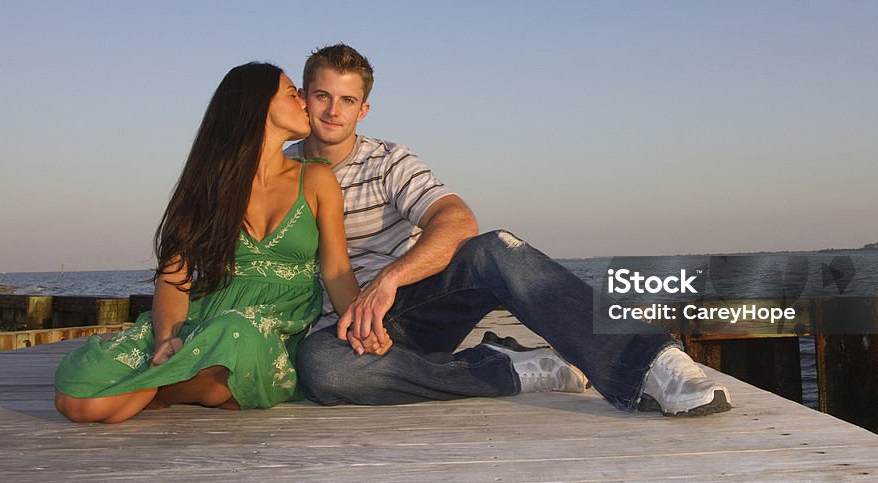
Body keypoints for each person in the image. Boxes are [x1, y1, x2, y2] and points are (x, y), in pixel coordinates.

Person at [289, 44, 732, 416]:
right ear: (303, 98)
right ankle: (506, 369)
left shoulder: (388, 160)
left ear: (363, 109)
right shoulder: (278, 171)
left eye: (346, 100)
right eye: (322, 96)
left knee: (491, 249)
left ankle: (650, 362)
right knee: (322, 371)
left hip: (410, 310)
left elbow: (457, 220)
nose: (332, 111)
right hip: (342, 335)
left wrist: (389, 280)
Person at [55, 63, 359, 423]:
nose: (307, 103)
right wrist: (167, 336)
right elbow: (174, 273)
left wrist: (362, 328)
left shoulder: (317, 178)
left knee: (234, 339)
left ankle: (155, 389)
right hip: (206, 315)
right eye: (293, 94)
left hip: (271, 326)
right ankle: (171, 381)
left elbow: (337, 270)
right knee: (75, 400)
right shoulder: (209, 184)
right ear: (256, 106)